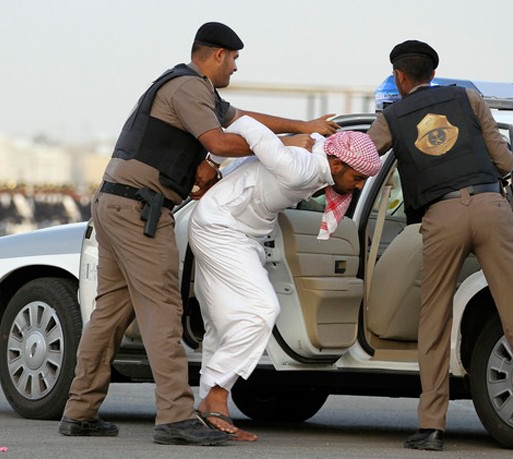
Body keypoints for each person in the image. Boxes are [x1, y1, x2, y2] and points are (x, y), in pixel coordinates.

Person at [57, 22, 340, 446]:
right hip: (141, 209)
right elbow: (221, 141)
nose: (236, 68)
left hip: (117, 203)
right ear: (218, 55)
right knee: (161, 311)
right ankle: (174, 416)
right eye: (235, 59)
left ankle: (80, 411)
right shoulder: (189, 88)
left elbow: (243, 119)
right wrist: (282, 148)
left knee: (111, 313)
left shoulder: (192, 89)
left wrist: (301, 126)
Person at [366, 40, 513, 455]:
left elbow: (363, 158)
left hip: (441, 217)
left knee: (434, 318)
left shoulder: (392, 116)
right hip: (492, 208)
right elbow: (505, 163)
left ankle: (431, 428)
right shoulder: (468, 98)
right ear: (433, 75)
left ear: (400, 77)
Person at [188, 115, 381, 441]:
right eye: (358, 177)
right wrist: (211, 162)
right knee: (263, 309)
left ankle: (206, 406)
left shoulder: (320, 159)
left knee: (221, 323)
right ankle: (217, 393)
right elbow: (245, 123)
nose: (360, 185)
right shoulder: (300, 167)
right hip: (219, 227)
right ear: (336, 165)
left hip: (242, 233)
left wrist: (299, 136)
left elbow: (304, 145)